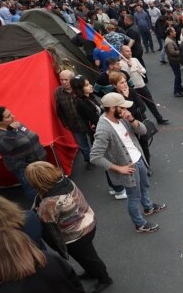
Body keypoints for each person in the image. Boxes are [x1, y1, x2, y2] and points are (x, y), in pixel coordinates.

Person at [25, 161, 113, 293]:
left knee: (89, 258)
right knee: (87, 256)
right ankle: (91, 272)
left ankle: (104, 279)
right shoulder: (65, 181)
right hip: (87, 221)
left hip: (75, 236)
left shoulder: (49, 203)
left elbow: (49, 228)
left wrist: (60, 249)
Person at [90, 93, 166, 233]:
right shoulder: (104, 129)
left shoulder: (123, 118)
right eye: (122, 107)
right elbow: (94, 156)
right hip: (129, 168)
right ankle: (139, 224)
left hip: (139, 159)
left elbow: (143, 131)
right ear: (113, 108)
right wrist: (119, 168)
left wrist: (131, 119)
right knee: (134, 197)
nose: (126, 109)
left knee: (144, 186)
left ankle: (148, 207)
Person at [70, 75, 127, 199]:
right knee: (110, 160)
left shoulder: (89, 98)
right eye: (86, 85)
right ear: (79, 88)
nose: (90, 86)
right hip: (99, 133)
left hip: (100, 130)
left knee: (109, 159)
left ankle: (113, 186)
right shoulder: (80, 102)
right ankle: (118, 189)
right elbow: (96, 118)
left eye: (89, 83)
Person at [0, 107, 47, 203]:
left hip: (37, 160)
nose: (13, 116)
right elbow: (3, 148)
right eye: (8, 116)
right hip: (23, 167)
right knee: (32, 189)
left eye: (11, 113)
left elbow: (30, 137)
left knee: (44, 183)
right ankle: (38, 208)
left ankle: (48, 202)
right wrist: (10, 131)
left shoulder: (16, 125)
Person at [119, 45, 169, 125]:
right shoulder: (121, 64)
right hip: (133, 89)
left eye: (130, 50)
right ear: (122, 53)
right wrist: (129, 67)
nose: (130, 52)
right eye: (127, 51)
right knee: (139, 107)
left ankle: (159, 118)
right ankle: (143, 123)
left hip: (142, 85)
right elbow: (125, 77)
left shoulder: (134, 59)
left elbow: (144, 69)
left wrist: (140, 70)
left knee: (151, 103)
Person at [55, 70, 93, 170]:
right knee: (83, 145)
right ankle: (89, 160)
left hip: (87, 122)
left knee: (95, 140)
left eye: (66, 80)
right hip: (74, 125)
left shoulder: (80, 89)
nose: (63, 82)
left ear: (71, 79)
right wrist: (65, 123)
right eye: (61, 79)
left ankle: (98, 156)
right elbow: (59, 110)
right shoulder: (58, 92)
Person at [164, 27, 183, 97]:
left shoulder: (170, 39)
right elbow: (172, 52)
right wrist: (181, 51)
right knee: (177, 75)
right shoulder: (169, 42)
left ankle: (179, 87)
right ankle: (176, 91)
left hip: (174, 60)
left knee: (178, 75)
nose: (175, 32)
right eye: (174, 31)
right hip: (174, 61)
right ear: (170, 33)